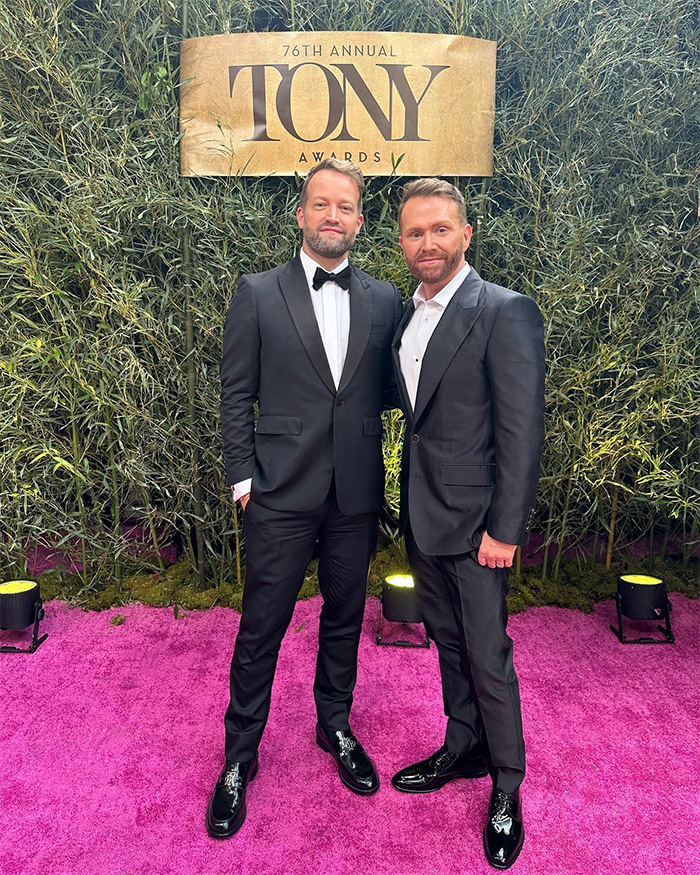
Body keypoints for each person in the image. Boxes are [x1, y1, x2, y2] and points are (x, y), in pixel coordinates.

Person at [208, 159, 402, 839]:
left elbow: (390, 391)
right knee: (261, 627)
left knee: (345, 617)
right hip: (280, 492)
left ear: (358, 220)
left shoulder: (385, 300)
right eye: (320, 203)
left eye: (344, 206)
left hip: (354, 494)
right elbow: (237, 391)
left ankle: (336, 725)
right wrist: (242, 477)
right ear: (300, 213)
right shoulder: (257, 292)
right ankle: (239, 756)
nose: (331, 216)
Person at [390, 178, 545, 870]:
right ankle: (464, 745)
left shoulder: (504, 311)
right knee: (449, 646)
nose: (429, 242)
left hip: (480, 526)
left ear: (466, 234)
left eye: (441, 229)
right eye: (416, 232)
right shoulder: (407, 314)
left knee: (489, 656)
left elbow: (522, 431)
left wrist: (506, 528)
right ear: (402, 242)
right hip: (423, 517)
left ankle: (507, 786)